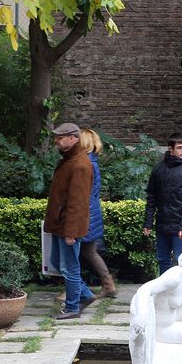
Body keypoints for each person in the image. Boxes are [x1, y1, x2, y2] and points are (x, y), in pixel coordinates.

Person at [45, 122, 96, 320]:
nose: (56, 140)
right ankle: (85, 295)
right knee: (58, 262)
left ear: (73, 138)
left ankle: (72, 307)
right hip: (61, 224)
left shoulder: (80, 165)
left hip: (68, 227)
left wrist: (71, 233)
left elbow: (78, 203)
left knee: (69, 267)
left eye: (60, 137)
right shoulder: (70, 160)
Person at [143, 133, 182, 276]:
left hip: (180, 226)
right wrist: (148, 223)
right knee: (163, 260)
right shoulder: (159, 169)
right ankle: (165, 293)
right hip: (162, 224)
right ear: (170, 149)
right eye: (180, 147)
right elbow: (152, 197)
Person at [78, 127, 116, 298]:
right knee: (89, 252)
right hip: (92, 213)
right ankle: (108, 285)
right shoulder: (92, 163)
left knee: (72, 253)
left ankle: (72, 288)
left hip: (84, 214)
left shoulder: (85, 165)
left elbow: (81, 194)